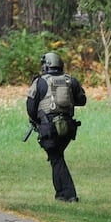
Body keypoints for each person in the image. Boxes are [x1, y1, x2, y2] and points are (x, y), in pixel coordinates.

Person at [26, 52, 87, 202]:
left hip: (49, 128)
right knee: (56, 158)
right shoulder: (70, 81)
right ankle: (60, 194)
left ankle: (70, 194)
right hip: (67, 128)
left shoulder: (39, 82)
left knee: (56, 158)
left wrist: (36, 121)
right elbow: (82, 100)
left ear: (46, 65)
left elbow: (31, 106)